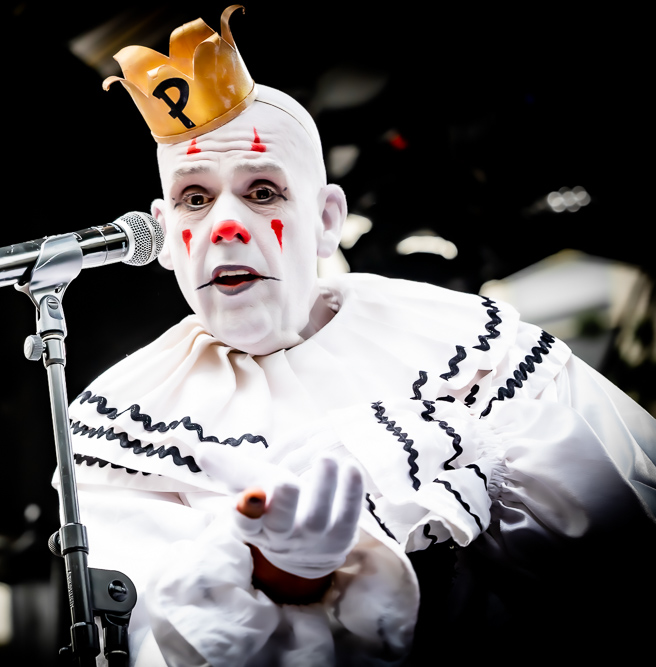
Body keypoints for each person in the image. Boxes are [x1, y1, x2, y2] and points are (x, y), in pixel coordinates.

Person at [61, 6, 656, 665]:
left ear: (325, 219)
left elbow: (619, 558)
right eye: (195, 198)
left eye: (262, 190)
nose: (224, 227)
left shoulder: (468, 346)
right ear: (165, 231)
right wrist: (283, 573)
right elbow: (158, 647)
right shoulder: (118, 428)